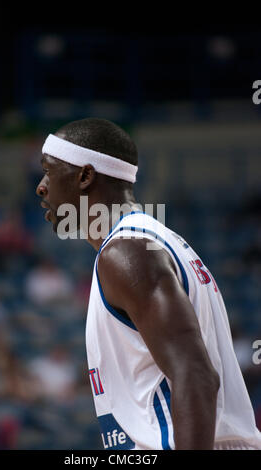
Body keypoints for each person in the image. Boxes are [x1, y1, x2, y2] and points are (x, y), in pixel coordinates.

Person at [36, 118, 261, 450]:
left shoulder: (128, 252)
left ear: (85, 176)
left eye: (48, 171)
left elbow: (196, 376)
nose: (41, 186)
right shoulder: (152, 242)